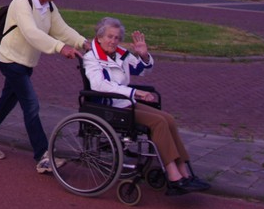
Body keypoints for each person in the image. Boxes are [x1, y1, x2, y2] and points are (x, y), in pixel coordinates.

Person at [0, 0, 90, 173]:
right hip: (10, 61)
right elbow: (30, 32)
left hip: (26, 63)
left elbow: (61, 29)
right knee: (31, 105)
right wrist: (60, 47)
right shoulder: (22, 1)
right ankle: (43, 156)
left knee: (6, 102)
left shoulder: (49, 6)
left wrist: (83, 42)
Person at [83, 16, 210, 196]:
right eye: (109, 37)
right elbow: (99, 85)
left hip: (126, 103)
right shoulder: (91, 58)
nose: (113, 41)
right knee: (158, 122)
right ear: (100, 37)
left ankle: (185, 172)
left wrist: (143, 55)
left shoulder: (121, 53)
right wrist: (135, 93)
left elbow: (142, 70)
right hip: (110, 106)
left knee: (168, 119)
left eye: (117, 37)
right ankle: (173, 177)